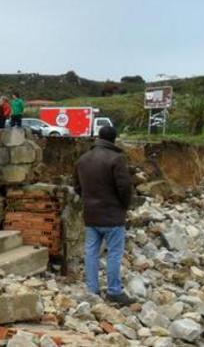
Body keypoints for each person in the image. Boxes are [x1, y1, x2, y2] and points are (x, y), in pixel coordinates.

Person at [74, 126, 136, 306]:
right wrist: (123, 207)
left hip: (91, 215)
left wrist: (87, 200)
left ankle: (92, 290)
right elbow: (124, 188)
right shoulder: (117, 159)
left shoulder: (82, 160)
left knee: (91, 252)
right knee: (114, 254)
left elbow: (77, 186)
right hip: (112, 216)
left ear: (98, 138)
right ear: (114, 140)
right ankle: (114, 291)